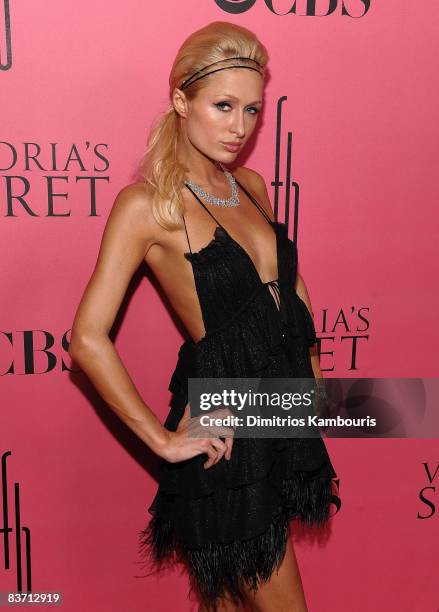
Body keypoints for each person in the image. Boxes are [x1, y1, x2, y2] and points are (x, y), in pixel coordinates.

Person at [69, 20, 338, 612]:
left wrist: (314, 380)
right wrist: (162, 442)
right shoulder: (148, 206)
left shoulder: (252, 186)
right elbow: (86, 338)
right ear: (180, 101)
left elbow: (289, 285)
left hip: (281, 417)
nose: (239, 128)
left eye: (252, 110)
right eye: (223, 106)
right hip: (228, 431)